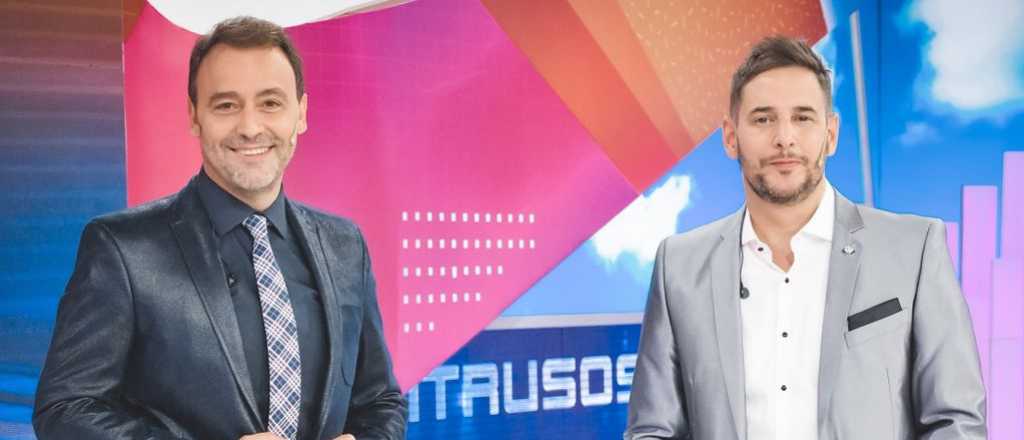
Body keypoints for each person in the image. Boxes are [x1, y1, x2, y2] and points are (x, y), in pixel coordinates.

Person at [33, 16, 407, 440]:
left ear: (301, 113)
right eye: (226, 105)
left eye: (270, 103)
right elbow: (64, 410)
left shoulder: (345, 246)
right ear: (194, 115)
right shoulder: (122, 249)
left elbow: (380, 402)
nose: (250, 128)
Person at [625, 36, 985, 439]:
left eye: (802, 117)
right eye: (763, 119)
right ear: (730, 136)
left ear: (830, 134)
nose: (785, 138)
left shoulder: (914, 248)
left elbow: (956, 421)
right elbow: (653, 429)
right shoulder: (678, 266)